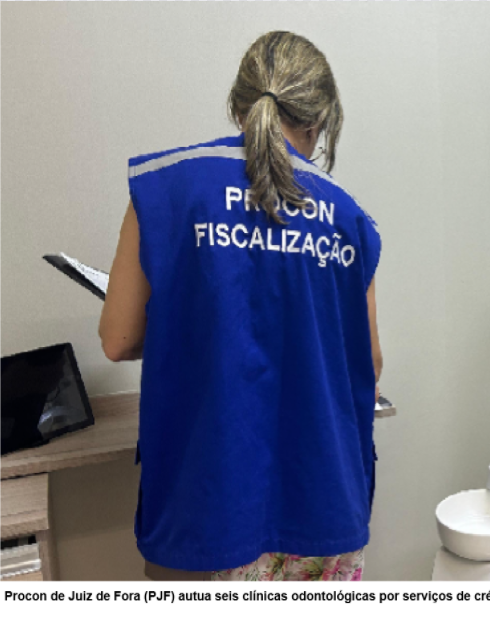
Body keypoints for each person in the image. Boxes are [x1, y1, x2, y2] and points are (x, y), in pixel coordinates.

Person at [99, 31, 382, 581]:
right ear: (319, 122)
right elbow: (367, 366)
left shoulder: (166, 187)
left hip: (208, 505)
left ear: (238, 107)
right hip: (322, 501)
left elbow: (118, 339)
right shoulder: (350, 218)